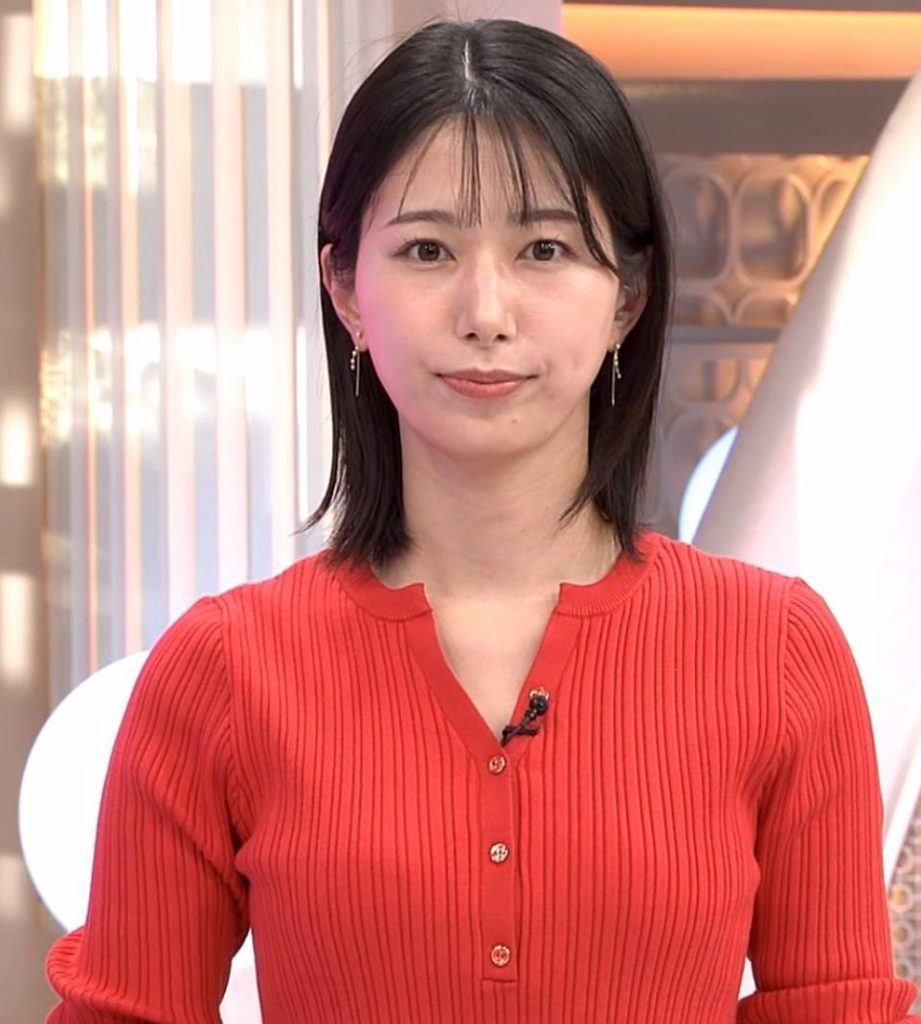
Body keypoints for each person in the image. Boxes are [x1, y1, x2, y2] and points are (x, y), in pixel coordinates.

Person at [45, 17, 919, 1024]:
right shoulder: (223, 671)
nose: (486, 312)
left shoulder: (777, 651)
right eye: (428, 249)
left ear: (628, 296)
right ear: (345, 288)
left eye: (545, 248)